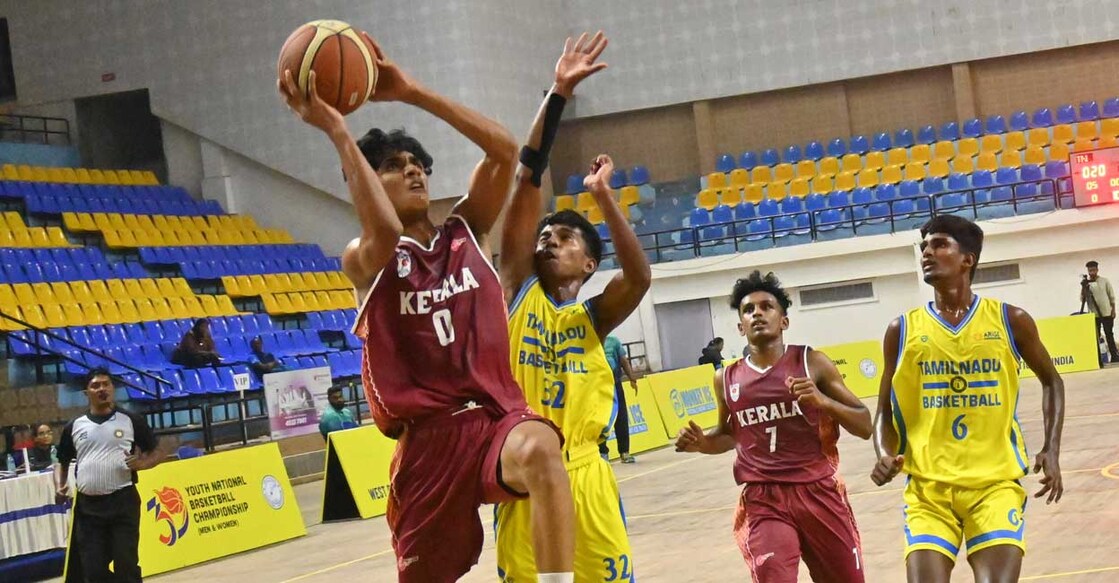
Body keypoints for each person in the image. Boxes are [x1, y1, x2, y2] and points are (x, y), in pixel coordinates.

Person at [279, 36, 576, 583]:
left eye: (419, 164)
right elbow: (384, 229)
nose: (414, 171)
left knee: (541, 448)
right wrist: (338, 131)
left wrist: (413, 92)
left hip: (493, 418)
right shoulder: (363, 257)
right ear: (365, 181)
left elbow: (504, 151)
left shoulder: (466, 231)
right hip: (427, 444)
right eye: (394, 166)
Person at [495, 32, 652, 582]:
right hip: (525, 473)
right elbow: (525, 177)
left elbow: (639, 277)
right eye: (545, 235)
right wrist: (557, 93)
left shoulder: (592, 318)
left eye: (563, 238)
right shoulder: (518, 289)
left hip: (587, 475)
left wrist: (603, 196)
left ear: (588, 264)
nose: (548, 240)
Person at [871, 215, 1065, 583]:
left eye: (939, 244)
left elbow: (1052, 381)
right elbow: (883, 409)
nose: (927, 252)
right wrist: (883, 452)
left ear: (967, 259)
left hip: (995, 485)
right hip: (928, 489)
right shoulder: (902, 330)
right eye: (924, 246)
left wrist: (1051, 449)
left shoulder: (1010, 320)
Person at [675, 270, 871, 583]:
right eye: (748, 310)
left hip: (818, 490)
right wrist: (702, 443)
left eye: (767, 306)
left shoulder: (812, 362)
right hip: (764, 498)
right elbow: (729, 435)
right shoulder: (726, 379)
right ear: (740, 327)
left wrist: (823, 402)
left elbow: (865, 424)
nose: (757, 313)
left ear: (784, 321)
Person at [58, 367, 164, 583]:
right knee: (93, 571)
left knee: (126, 565)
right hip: (88, 509)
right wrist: (60, 485)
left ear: (113, 388)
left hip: (122, 503)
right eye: (95, 386)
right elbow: (62, 459)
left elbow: (158, 452)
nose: (102, 389)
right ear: (86, 392)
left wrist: (142, 464)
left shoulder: (131, 420)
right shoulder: (74, 426)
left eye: (106, 384)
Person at [598, 335, 640, 463]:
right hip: (597, 387)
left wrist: (632, 378)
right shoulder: (590, 341)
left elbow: (623, 361)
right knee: (600, 420)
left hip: (615, 384)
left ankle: (624, 452)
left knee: (621, 417)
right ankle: (603, 453)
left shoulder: (614, 341)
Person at [1082, 260, 1119, 364]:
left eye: (1093, 270)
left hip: (1107, 312)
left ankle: (1114, 356)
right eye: (1090, 271)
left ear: (1097, 270)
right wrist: (1084, 287)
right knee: (1096, 336)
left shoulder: (1104, 281)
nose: (1092, 272)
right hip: (1094, 315)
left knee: (1109, 334)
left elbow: (1111, 296)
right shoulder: (1087, 283)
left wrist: (1113, 310)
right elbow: (1082, 299)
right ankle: (1097, 359)